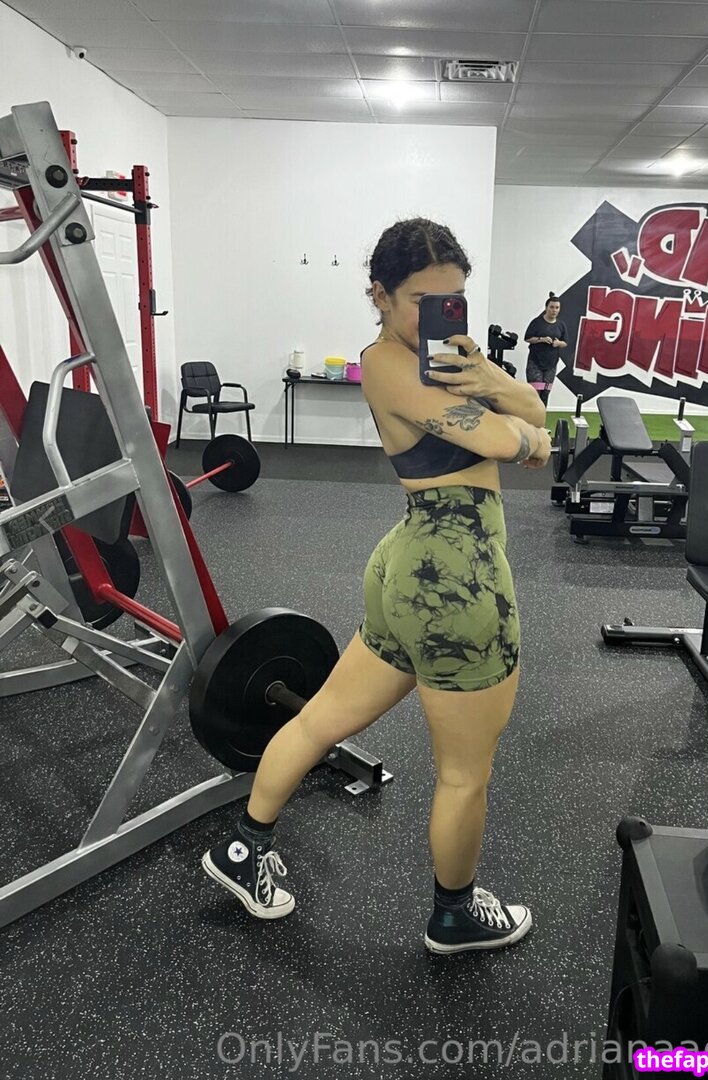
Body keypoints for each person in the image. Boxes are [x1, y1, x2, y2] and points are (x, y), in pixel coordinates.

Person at [201, 218, 551, 954]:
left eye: (451, 300)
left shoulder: (450, 360)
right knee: (465, 775)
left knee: (321, 720)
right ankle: (455, 914)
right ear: (381, 296)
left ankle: (243, 849)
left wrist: (494, 384)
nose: (437, 315)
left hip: (410, 564)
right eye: (422, 300)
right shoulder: (388, 362)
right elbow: (507, 438)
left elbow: (531, 415)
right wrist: (522, 426)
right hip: (456, 579)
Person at [524, 294, 568, 405]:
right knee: (535, 392)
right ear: (546, 308)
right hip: (535, 362)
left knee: (545, 392)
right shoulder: (536, 322)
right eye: (552, 307)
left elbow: (565, 343)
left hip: (551, 364)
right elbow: (527, 338)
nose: (554, 310)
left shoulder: (561, 325)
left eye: (557, 307)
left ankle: (542, 414)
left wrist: (558, 343)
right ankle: (532, 414)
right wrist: (541, 339)